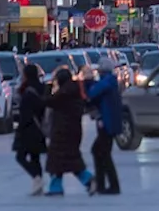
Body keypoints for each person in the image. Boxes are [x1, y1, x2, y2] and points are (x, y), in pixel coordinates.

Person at [43, 67, 95, 196]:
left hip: (62, 132)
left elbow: (49, 101)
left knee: (60, 159)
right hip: (71, 131)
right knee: (68, 159)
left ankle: (87, 180)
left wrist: (47, 89)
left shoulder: (65, 93)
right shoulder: (73, 91)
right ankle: (85, 180)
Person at [85, 58, 122, 195]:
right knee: (99, 151)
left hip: (107, 123)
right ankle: (103, 184)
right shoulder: (109, 82)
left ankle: (112, 185)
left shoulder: (106, 83)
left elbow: (92, 94)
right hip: (108, 122)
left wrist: (88, 83)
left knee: (102, 152)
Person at [13, 65, 48, 195]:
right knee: (35, 157)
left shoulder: (28, 92)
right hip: (40, 127)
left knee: (20, 156)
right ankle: (37, 184)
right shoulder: (42, 88)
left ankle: (36, 178)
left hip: (29, 129)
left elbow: (25, 113)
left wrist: (19, 128)